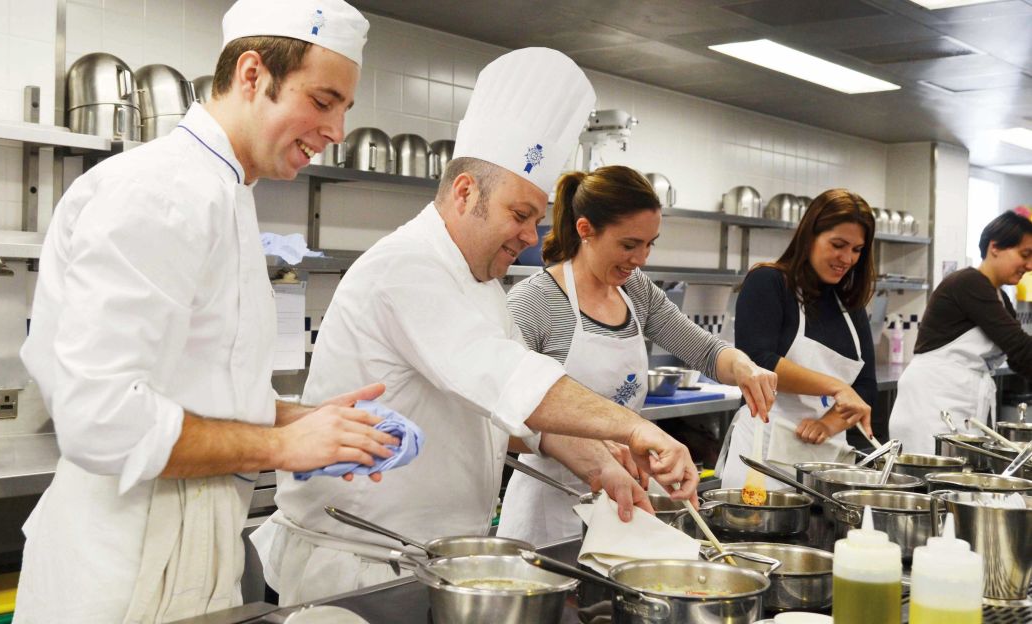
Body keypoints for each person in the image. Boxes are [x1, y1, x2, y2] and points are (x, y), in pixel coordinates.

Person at [252, 47, 778, 605]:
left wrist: (603, 464)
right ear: (464, 193)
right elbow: (511, 380)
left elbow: (516, 418)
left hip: (434, 563)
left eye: (536, 218)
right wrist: (635, 429)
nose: (531, 236)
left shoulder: (479, 283)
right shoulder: (405, 267)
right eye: (521, 214)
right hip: (360, 570)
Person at [12, 2, 398, 622]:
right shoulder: (160, 191)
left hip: (179, 556)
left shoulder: (226, 192)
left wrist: (304, 421)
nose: (336, 131)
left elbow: (194, 385)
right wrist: (281, 445)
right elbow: (100, 417)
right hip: (125, 576)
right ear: (252, 75)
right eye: (324, 101)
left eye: (345, 110)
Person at [495, 165, 777, 546]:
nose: (641, 258)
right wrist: (591, 452)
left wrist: (745, 367)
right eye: (629, 245)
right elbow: (502, 418)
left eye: (650, 244)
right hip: (550, 510)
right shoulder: (534, 301)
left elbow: (706, 351)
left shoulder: (636, 292)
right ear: (585, 230)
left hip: (624, 500)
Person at [717, 189, 878, 489]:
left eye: (857, 250)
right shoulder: (768, 282)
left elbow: (865, 387)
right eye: (838, 245)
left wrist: (827, 424)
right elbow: (759, 361)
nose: (847, 258)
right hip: (762, 459)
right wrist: (837, 387)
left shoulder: (850, 307)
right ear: (810, 235)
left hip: (827, 462)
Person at [889, 211, 1032, 453]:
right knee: (934, 483)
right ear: (994, 247)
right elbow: (1021, 347)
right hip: (932, 405)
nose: (1029, 266)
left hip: (958, 402)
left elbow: (1021, 358)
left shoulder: (999, 298)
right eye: (1024, 255)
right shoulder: (968, 283)